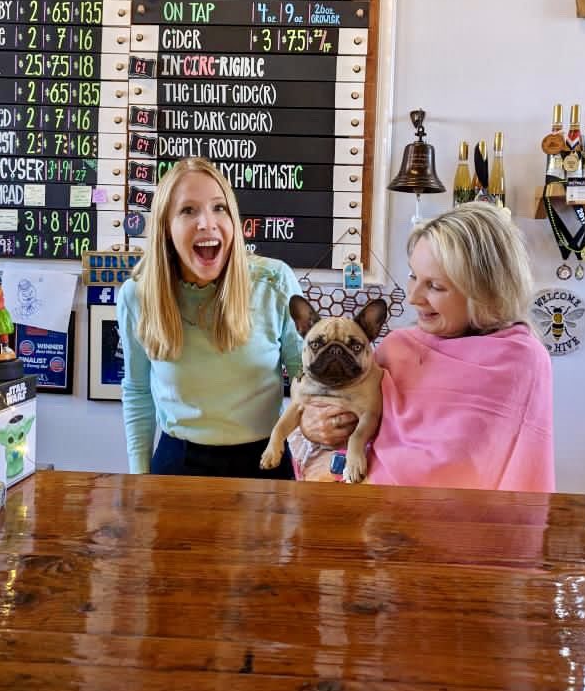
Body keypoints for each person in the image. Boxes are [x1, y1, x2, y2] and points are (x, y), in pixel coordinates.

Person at [297, 202, 555, 491]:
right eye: (412, 276)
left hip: (455, 528)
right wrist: (312, 424)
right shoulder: (398, 347)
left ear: (485, 293)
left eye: (435, 286)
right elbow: (339, 416)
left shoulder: (520, 360)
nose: (413, 298)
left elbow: (454, 472)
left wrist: (340, 469)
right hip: (359, 518)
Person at [117, 157, 304, 478]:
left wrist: (315, 434)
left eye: (219, 208)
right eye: (188, 210)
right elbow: (137, 391)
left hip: (265, 463)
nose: (207, 222)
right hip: (177, 465)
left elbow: (304, 374)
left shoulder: (274, 281)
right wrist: (139, 478)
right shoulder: (137, 295)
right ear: (165, 226)